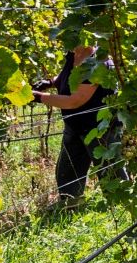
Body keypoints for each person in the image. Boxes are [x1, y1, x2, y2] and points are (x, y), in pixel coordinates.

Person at [32, 44, 122, 205]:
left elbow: (75, 101)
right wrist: (50, 82)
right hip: (74, 126)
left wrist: (39, 97)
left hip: (99, 129)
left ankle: (122, 206)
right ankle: (71, 206)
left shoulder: (97, 63)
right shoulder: (73, 54)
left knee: (110, 173)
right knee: (67, 173)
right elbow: (68, 76)